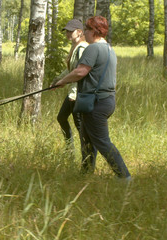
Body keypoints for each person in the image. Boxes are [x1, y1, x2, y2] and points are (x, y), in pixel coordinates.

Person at [52, 16, 131, 180]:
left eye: (87, 30)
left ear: (94, 31)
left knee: (102, 141)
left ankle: (124, 177)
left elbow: (80, 72)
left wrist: (62, 81)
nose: (85, 33)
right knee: (87, 137)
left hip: (97, 103)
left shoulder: (93, 49)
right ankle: (86, 173)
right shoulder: (109, 49)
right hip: (106, 101)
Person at [50, 19, 88, 152]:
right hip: (73, 92)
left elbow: (80, 73)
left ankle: (87, 161)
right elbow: (71, 69)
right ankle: (69, 148)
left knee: (81, 128)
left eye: (70, 31)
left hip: (78, 94)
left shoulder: (82, 48)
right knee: (61, 117)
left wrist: (64, 82)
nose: (67, 34)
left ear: (79, 32)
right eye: (66, 31)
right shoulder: (75, 47)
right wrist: (58, 80)